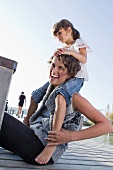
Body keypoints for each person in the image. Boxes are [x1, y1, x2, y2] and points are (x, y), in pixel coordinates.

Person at [0, 54, 112, 166]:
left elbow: (107, 126)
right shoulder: (50, 89)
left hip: (41, 148)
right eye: (53, 65)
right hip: (33, 135)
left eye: (61, 68)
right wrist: (29, 120)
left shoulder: (74, 97)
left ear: (69, 75)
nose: (54, 70)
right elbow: (35, 96)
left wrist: (71, 136)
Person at [24, 18, 92, 125]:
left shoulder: (79, 42)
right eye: (56, 36)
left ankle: (55, 134)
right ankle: (27, 120)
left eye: (60, 33)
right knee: (36, 94)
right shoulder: (65, 48)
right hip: (62, 77)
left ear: (69, 30)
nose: (58, 38)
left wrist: (69, 52)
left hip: (76, 78)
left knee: (61, 95)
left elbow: (84, 59)